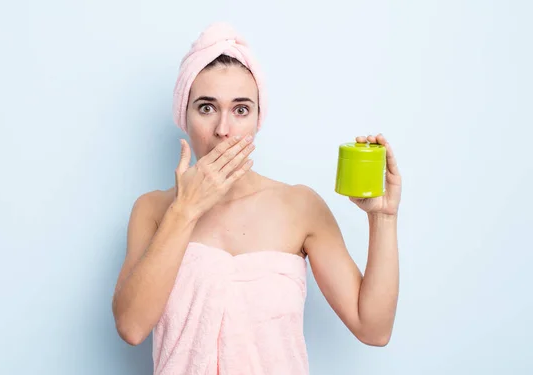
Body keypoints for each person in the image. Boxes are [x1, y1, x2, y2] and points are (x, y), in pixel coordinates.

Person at [112, 22, 402, 375]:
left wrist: (383, 218)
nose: (223, 129)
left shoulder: (300, 207)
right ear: (183, 116)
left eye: (240, 109)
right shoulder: (153, 210)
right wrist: (185, 211)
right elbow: (131, 327)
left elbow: (373, 329)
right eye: (206, 108)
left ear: (257, 119)